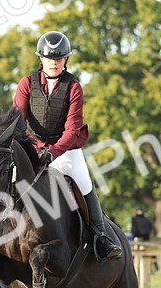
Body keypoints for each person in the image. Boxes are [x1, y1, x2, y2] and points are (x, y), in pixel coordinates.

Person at [12, 30, 121, 260]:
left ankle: (100, 235)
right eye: (49, 58)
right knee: (9, 177)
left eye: (59, 58)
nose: (54, 62)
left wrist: (52, 153)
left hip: (65, 150)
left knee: (84, 182)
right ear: (41, 59)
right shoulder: (26, 83)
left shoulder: (73, 87)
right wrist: (29, 148)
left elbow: (72, 130)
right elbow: (18, 119)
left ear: (65, 60)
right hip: (34, 148)